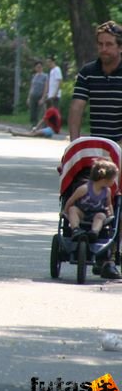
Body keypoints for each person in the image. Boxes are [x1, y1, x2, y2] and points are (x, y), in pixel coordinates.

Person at [68, 20, 122, 279]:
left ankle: (110, 256)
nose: (104, 49)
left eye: (109, 44)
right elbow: (77, 107)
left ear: (120, 47)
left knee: (117, 195)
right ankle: (82, 235)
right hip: (96, 145)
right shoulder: (88, 72)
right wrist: (75, 145)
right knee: (88, 188)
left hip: (120, 143)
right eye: (100, 44)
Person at [63, 158, 117, 241]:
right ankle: (76, 229)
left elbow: (108, 204)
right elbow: (71, 200)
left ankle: (94, 232)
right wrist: (65, 211)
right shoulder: (84, 189)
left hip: (96, 214)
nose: (114, 182)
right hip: (82, 213)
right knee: (72, 209)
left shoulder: (107, 191)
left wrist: (110, 215)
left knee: (101, 216)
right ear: (104, 180)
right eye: (113, 179)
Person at [27, 61, 48, 127]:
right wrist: (28, 97)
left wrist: (43, 98)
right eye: (37, 67)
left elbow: (46, 87)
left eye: (40, 67)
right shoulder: (34, 76)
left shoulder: (45, 76)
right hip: (33, 95)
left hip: (40, 95)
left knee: (42, 112)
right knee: (33, 111)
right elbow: (31, 87)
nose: (39, 68)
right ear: (35, 68)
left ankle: (42, 125)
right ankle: (33, 124)